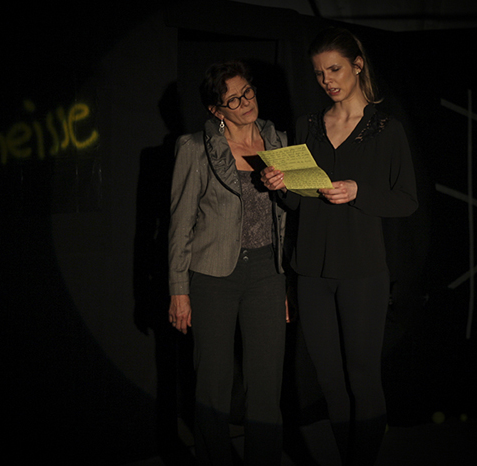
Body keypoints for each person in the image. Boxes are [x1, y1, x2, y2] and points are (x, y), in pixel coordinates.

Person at [261, 27, 418, 466]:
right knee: (329, 379)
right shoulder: (307, 125)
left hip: (362, 271)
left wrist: (358, 191)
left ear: (357, 65)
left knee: (362, 376)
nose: (327, 80)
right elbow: (297, 201)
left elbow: (407, 200)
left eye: (334, 69)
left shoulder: (386, 129)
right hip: (311, 270)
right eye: (319, 73)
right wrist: (279, 184)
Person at [168, 60, 289, 465]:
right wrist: (179, 291)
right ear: (215, 110)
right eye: (232, 100)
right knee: (213, 384)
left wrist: (284, 281)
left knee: (266, 383)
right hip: (213, 277)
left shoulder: (279, 142)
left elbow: (287, 218)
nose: (245, 102)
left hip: (266, 274)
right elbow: (180, 225)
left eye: (247, 92)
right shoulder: (194, 149)